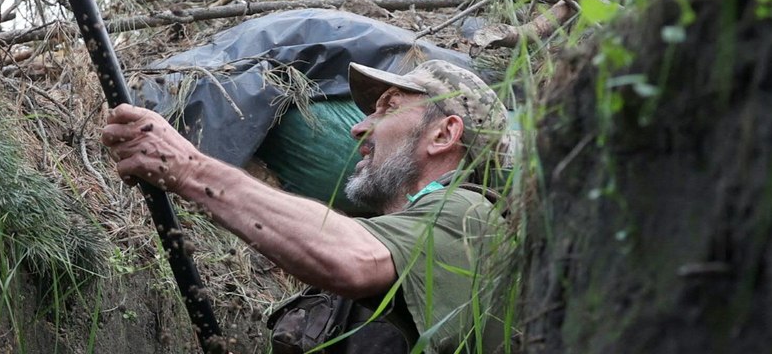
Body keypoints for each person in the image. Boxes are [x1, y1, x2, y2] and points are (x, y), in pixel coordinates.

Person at [101, 58, 513, 353]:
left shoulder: (470, 216)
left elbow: (353, 258)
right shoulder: (395, 248)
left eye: (389, 106)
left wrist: (189, 170)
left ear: (444, 134)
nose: (358, 127)